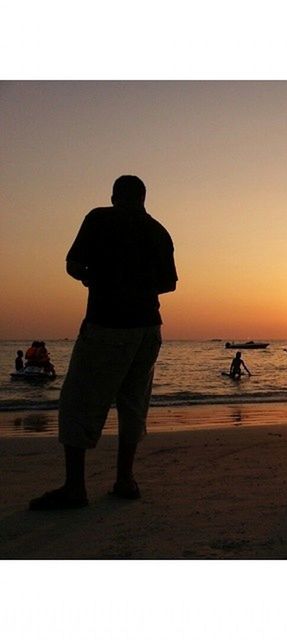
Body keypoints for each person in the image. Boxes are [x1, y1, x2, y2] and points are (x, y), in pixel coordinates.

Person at [29, 175, 178, 510]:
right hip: (147, 329)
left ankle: (75, 488)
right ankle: (125, 479)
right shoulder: (158, 231)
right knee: (133, 404)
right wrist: (138, 283)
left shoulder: (99, 219)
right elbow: (169, 283)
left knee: (78, 402)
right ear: (143, 198)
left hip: (108, 324)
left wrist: (97, 278)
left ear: (114, 197)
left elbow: (72, 265)